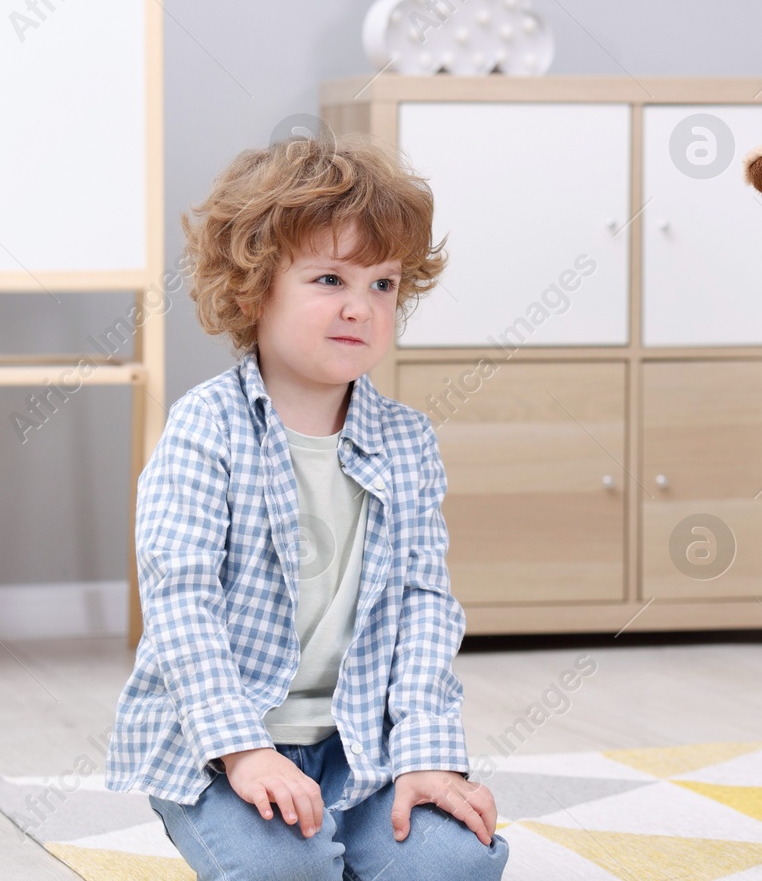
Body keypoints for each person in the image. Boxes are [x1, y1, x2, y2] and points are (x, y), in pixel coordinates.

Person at [104, 132, 509, 880]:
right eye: (330, 279)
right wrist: (244, 749)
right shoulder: (206, 428)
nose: (362, 306)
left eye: (383, 284)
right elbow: (181, 600)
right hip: (222, 742)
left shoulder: (407, 440)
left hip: (362, 746)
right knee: (279, 871)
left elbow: (425, 604)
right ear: (254, 286)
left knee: (458, 862)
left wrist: (426, 755)